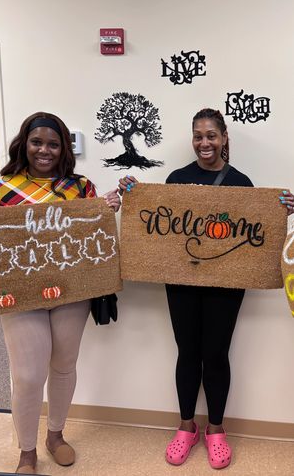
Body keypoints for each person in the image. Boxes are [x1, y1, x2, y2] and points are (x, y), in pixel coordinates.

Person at [118, 108, 294, 470]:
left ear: (224, 137)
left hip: (227, 282)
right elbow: (159, 223)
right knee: (187, 351)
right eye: (198, 136)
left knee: (215, 353)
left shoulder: (242, 183)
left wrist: (283, 212)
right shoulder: (177, 177)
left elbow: (256, 230)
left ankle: (216, 429)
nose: (204, 143)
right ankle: (186, 427)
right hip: (181, 281)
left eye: (211, 135)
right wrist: (132, 193)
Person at [0, 111, 120, 474]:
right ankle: (26, 452)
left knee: (63, 366)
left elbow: (92, 232)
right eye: (37, 142)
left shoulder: (80, 188)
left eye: (53, 144)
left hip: (71, 291)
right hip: (19, 293)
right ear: (24, 144)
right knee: (27, 375)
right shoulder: (2, 188)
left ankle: (55, 436)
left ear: (64, 149)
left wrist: (105, 210)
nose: (45, 150)